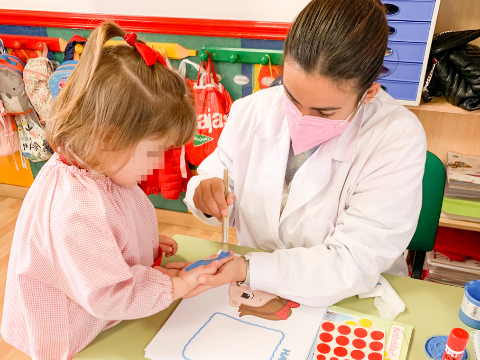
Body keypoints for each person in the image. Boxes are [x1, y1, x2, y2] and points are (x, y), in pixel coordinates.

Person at [1, 22, 232, 360]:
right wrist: (177, 286)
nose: (158, 164)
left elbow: (115, 228)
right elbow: (107, 293)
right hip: (73, 330)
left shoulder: (99, 166)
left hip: (96, 301)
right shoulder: (77, 208)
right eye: (157, 150)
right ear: (110, 138)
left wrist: (143, 245)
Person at [173, 0, 427, 307]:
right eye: (292, 98)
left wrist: (250, 268)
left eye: (324, 111)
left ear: (368, 95)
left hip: (348, 297)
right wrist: (207, 195)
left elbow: (353, 260)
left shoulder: (396, 138)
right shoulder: (252, 111)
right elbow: (218, 174)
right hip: (256, 287)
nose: (302, 118)